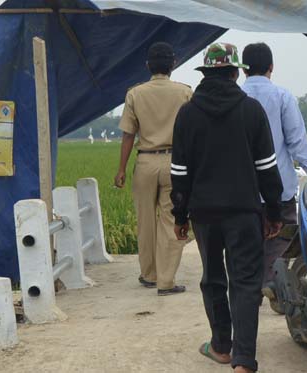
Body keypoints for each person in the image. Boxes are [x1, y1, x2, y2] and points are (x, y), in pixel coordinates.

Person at [170, 42, 284, 373]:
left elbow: (180, 173)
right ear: (235, 73)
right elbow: (267, 168)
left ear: (205, 74)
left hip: (203, 213)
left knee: (213, 278)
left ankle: (221, 346)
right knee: (246, 282)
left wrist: (180, 216)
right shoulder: (251, 111)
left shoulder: (188, 114)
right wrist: (273, 213)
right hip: (244, 212)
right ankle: (243, 361)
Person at [241, 43, 307, 310]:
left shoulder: (236, 96)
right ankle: (273, 284)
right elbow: (297, 140)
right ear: (271, 67)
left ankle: (249, 293)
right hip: (280, 185)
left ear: (243, 69)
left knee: (247, 242)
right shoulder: (283, 97)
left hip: (242, 187)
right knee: (280, 240)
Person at [114, 42, 191, 296]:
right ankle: (166, 281)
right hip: (175, 162)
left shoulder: (135, 93)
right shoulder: (185, 93)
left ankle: (149, 274)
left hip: (145, 161)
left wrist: (121, 169)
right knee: (171, 219)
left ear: (148, 65)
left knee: (145, 221)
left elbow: (128, 135)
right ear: (174, 64)